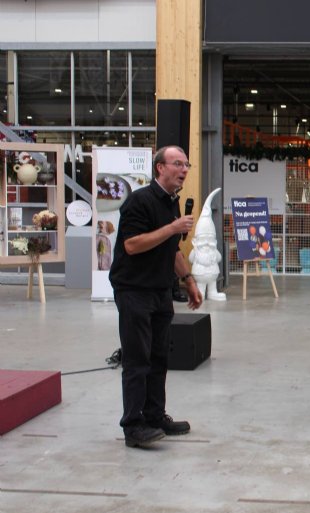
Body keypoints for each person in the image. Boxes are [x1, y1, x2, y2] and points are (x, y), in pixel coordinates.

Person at [109, 145, 202, 448]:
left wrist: (188, 280)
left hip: (161, 290)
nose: (184, 170)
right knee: (137, 359)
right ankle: (133, 426)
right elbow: (133, 245)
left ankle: (153, 415)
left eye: (187, 165)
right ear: (160, 167)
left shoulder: (171, 203)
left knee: (159, 357)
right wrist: (173, 227)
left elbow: (171, 248)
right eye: (178, 164)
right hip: (134, 290)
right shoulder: (139, 202)